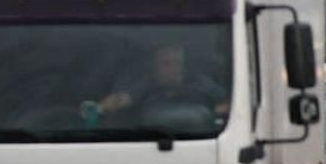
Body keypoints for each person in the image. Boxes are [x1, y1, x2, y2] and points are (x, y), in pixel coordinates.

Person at [94, 43, 229, 121]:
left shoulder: (200, 84)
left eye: (177, 63)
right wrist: (99, 109)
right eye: (166, 63)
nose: (173, 68)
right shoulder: (144, 87)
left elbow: (229, 103)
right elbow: (121, 99)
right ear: (155, 67)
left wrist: (215, 113)